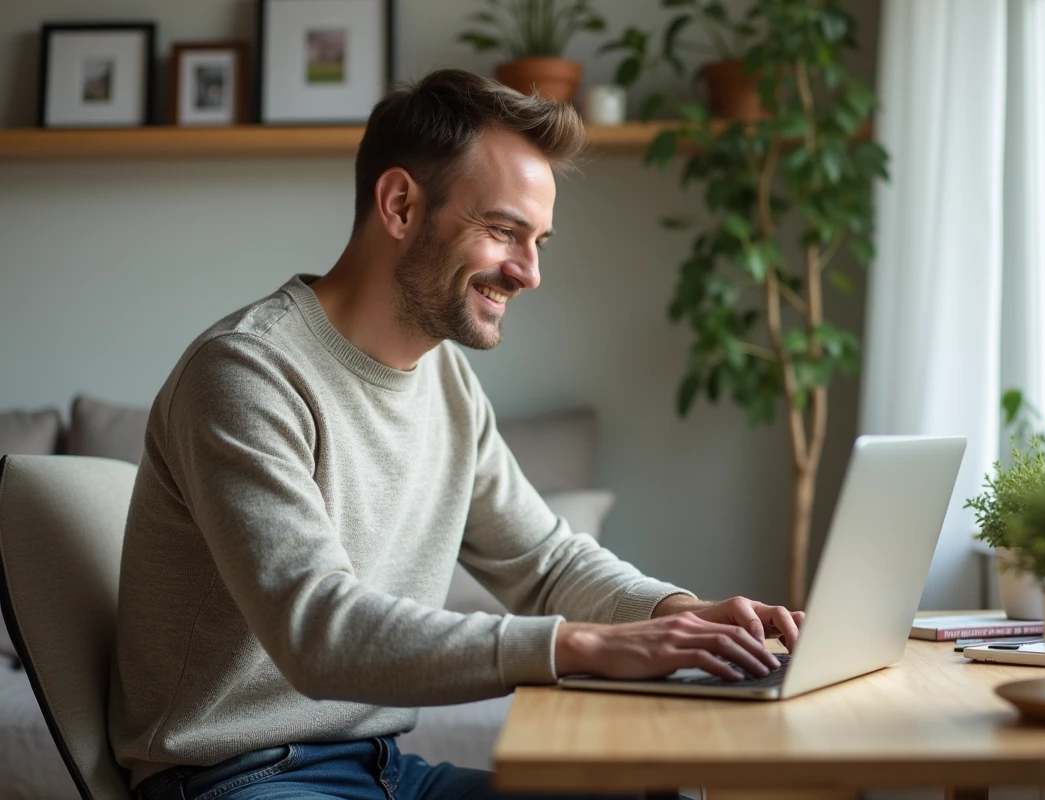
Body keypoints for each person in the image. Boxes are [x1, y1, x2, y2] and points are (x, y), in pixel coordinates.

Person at [109, 68, 805, 800]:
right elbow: (318, 632)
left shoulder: (444, 381)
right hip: (235, 777)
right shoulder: (247, 374)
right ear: (402, 204)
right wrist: (586, 645)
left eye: (538, 240)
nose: (530, 273)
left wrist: (680, 614)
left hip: (377, 770)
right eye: (504, 231)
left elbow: (544, 563)